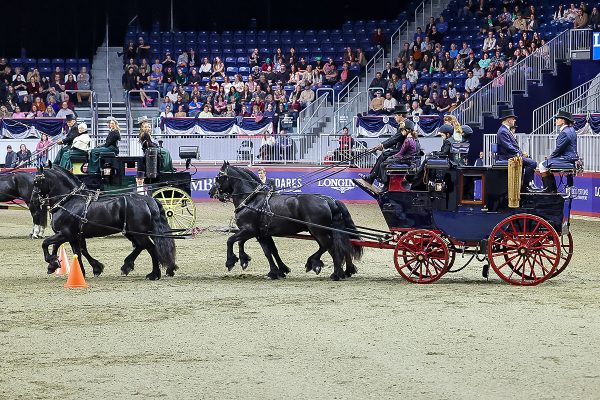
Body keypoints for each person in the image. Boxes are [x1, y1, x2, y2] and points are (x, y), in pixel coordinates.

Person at [358, 107, 412, 185]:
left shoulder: (406, 124)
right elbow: (395, 138)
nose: (394, 117)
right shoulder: (405, 124)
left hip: (404, 152)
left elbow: (395, 138)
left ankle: (374, 178)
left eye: (396, 115)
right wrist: (382, 145)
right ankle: (371, 177)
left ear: (400, 115)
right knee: (384, 154)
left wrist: (383, 145)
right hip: (401, 150)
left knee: (384, 155)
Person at [495, 109, 538, 192]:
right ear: (508, 120)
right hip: (507, 156)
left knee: (530, 158)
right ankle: (526, 186)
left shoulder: (506, 130)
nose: (515, 120)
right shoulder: (503, 131)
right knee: (532, 163)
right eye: (513, 119)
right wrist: (520, 153)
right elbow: (508, 147)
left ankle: (527, 183)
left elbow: (512, 146)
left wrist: (522, 153)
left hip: (511, 154)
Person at [538, 110, 578, 193]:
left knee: (542, 165)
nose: (556, 120)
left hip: (567, 158)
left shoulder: (564, 133)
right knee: (546, 164)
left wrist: (550, 157)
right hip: (570, 157)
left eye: (557, 119)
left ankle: (549, 190)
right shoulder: (571, 130)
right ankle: (552, 189)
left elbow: (559, 149)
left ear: (563, 121)